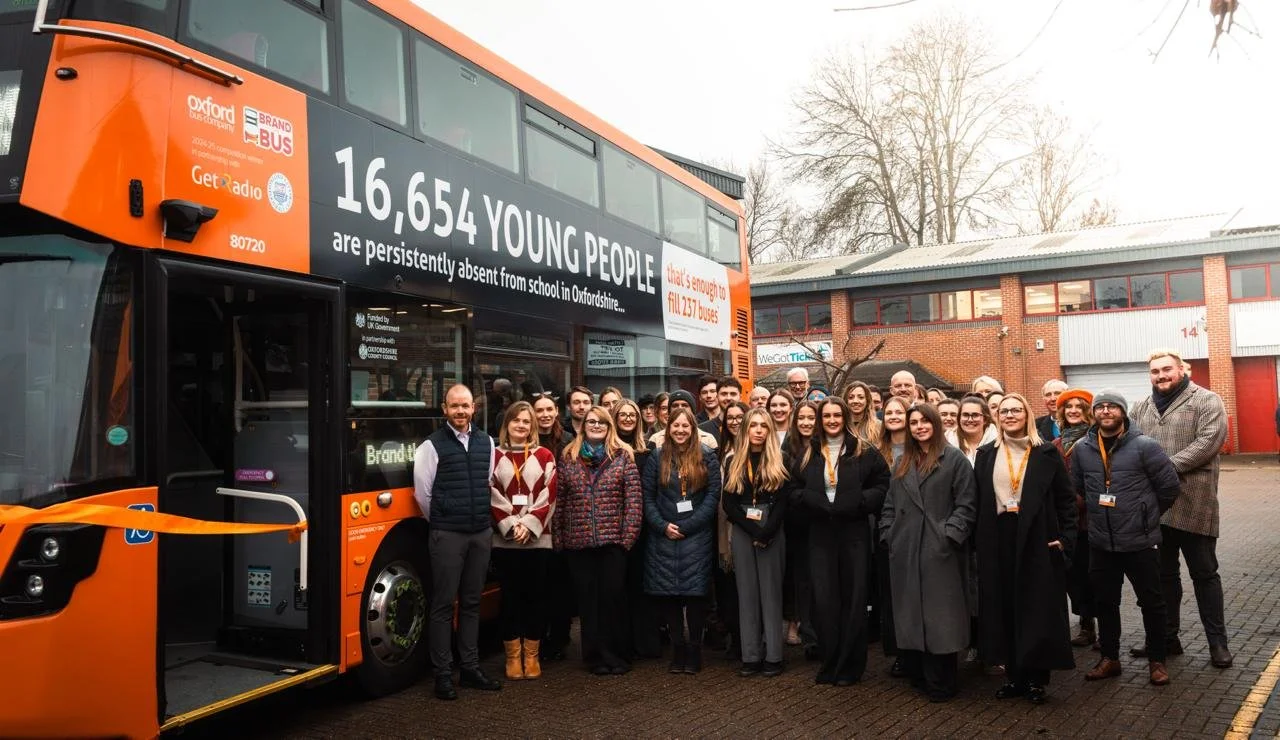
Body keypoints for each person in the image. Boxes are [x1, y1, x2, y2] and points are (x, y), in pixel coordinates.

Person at [1128, 349, 1233, 668]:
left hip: (1195, 504)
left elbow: (1209, 442)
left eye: (1166, 370)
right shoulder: (1140, 407)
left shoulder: (1207, 400)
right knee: (1163, 577)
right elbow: (1129, 443)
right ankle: (1167, 639)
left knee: (1205, 574)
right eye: (1154, 371)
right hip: (1156, 507)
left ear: (1181, 369)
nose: (1160, 376)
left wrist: (1161, 468)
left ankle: (1218, 644)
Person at [1071, 390, 1180, 686]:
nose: (1106, 411)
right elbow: (1078, 487)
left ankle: (1157, 661)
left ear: (1123, 412)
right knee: (1105, 603)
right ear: (1094, 413)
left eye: (1112, 407)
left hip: (1139, 541)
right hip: (1101, 542)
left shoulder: (1145, 446)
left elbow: (1169, 487)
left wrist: (1146, 515)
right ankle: (1110, 659)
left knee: (1152, 603)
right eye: (1101, 407)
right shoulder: (1083, 447)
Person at [974, 394, 1076, 704]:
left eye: (1016, 410)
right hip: (998, 536)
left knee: (1036, 607)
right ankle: (1014, 677)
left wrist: (1066, 538)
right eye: (1004, 411)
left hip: (1036, 536)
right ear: (997, 418)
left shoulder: (1046, 453)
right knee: (1004, 606)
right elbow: (978, 499)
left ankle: (1036, 679)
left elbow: (1066, 500)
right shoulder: (986, 454)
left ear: (1027, 415)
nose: (1010, 415)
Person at [880, 403, 978, 702]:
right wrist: (889, 534)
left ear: (936, 424)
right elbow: (888, 506)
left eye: (925, 421)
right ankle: (920, 674)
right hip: (906, 548)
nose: (919, 426)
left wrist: (948, 537)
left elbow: (967, 505)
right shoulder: (902, 463)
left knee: (941, 619)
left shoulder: (955, 460)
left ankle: (942, 681)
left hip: (940, 551)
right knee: (912, 614)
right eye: (914, 423)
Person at [413, 384, 502, 700]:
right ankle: (442, 675)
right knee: (442, 604)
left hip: (479, 533)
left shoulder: (486, 443)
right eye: (454, 406)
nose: (461, 411)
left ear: (474, 408)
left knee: (472, 603)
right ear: (444, 408)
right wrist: (443, 521)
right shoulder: (431, 446)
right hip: (447, 534)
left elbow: (488, 482)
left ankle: (470, 669)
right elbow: (423, 495)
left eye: (465, 406)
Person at [799, 397, 892, 685]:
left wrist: (859, 502)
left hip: (853, 532)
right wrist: (809, 500)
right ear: (820, 419)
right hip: (820, 533)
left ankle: (851, 666)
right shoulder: (808, 451)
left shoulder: (863, 450)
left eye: (836, 415)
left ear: (845, 418)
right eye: (826, 416)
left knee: (853, 600)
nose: (831, 420)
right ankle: (830, 662)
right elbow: (790, 488)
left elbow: (883, 484)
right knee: (825, 600)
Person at [552, 405, 644, 676]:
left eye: (601, 423)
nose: (595, 426)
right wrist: (559, 537)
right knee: (588, 603)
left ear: (608, 427)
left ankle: (617, 656)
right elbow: (561, 501)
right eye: (591, 422)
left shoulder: (622, 457)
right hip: (578, 543)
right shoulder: (568, 457)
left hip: (612, 543)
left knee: (612, 599)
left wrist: (627, 539)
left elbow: (634, 501)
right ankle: (594, 657)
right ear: (583, 425)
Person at [643, 408, 722, 674]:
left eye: (685, 426)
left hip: (696, 536)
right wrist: (662, 526)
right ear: (668, 427)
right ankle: (678, 649)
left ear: (692, 428)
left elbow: (713, 497)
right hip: (663, 536)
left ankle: (695, 649)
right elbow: (647, 497)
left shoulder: (708, 456)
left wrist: (688, 526)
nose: (680, 430)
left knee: (695, 595)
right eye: (675, 425)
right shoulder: (657, 456)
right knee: (671, 597)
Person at [490, 402, 558, 681]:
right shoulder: (493, 456)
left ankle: (531, 655)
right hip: (505, 542)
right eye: (516, 420)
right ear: (507, 424)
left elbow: (549, 495)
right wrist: (510, 525)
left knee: (536, 598)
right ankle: (512, 657)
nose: (521, 425)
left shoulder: (545, 456)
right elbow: (491, 493)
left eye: (526, 422)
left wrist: (529, 525)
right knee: (510, 599)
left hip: (537, 541)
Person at [722, 408, 791, 677]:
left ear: (770, 430)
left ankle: (774, 655)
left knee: (771, 594)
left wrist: (766, 532)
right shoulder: (733, 461)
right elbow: (728, 503)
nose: (759, 430)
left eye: (764, 425)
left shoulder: (781, 458)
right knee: (747, 594)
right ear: (745, 430)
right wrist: (752, 530)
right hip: (743, 528)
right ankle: (750, 655)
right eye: (754, 425)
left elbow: (785, 501)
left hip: (772, 528)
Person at [614, 398, 661, 661]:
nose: (629, 419)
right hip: (615, 526)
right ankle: (624, 642)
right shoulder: (609, 449)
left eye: (633, 415)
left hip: (643, 526)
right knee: (618, 585)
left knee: (641, 585)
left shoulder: (649, 449)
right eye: (623, 414)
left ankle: (645, 642)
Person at [1053, 388, 1098, 648]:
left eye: (1079, 407)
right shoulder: (1056, 445)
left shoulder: (1095, 441)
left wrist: (1074, 504)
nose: (1073, 411)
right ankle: (1085, 625)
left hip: (1090, 520)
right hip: (1067, 524)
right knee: (1074, 576)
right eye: (1068, 407)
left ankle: (1104, 627)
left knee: (1095, 576)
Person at [532, 393, 575, 660]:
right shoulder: (527, 440)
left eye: (550, 409)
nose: (545, 415)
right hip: (536, 519)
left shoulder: (569, 440)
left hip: (563, 517)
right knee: (540, 584)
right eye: (540, 410)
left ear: (557, 411)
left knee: (561, 584)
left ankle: (559, 639)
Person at [873, 394, 911, 676]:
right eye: (889, 412)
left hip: (914, 530)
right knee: (891, 595)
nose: (894, 416)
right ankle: (898, 652)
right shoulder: (876, 451)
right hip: (886, 530)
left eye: (900, 412)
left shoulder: (918, 448)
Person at [782, 400, 821, 653]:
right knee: (800, 580)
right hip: (795, 525)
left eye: (811, 418)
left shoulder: (826, 447)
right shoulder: (788, 448)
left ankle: (819, 630)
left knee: (820, 580)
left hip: (822, 523)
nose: (806, 422)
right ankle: (803, 629)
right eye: (801, 418)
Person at [649, 390, 718, 449]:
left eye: (684, 405)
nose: (680, 408)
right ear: (669, 411)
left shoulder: (708, 439)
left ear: (692, 411)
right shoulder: (656, 439)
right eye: (675, 405)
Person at [948, 395, 997, 465]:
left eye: (975, 415)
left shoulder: (997, 442)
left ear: (985, 419)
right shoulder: (947, 441)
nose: (970, 419)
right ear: (959, 418)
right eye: (965, 415)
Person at [844, 381, 883, 446]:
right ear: (846, 400)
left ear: (867, 400)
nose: (855, 401)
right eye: (851, 397)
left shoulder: (878, 427)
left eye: (861, 397)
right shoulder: (840, 426)